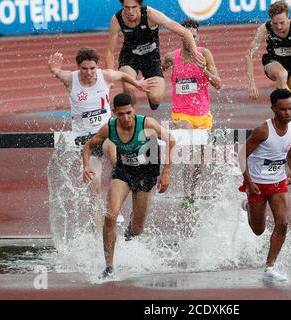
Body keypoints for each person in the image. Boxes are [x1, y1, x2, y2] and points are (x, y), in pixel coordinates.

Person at [48, 47, 156, 228]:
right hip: (85, 139)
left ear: (96, 67)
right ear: (78, 67)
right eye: (85, 69)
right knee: (94, 187)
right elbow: (58, 72)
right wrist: (54, 69)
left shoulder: (105, 76)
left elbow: (122, 75)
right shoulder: (71, 79)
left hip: (106, 132)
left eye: (92, 68)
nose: (89, 73)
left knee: (117, 161)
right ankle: (99, 235)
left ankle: (118, 203)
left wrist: (138, 84)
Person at [82, 93, 175, 279]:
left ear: (134, 109)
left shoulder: (147, 124)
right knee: (111, 216)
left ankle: (128, 235)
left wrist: (165, 173)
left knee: (137, 228)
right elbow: (88, 145)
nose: (126, 118)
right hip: (124, 172)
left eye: (129, 113)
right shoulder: (109, 128)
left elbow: (171, 140)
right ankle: (109, 266)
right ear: (115, 112)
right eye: (121, 114)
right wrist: (86, 165)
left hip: (146, 175)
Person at [238, 88, 291, 282]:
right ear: (273, 108)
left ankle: (270, 267)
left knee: (282, 223)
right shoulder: (263, 131)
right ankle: (247, 206)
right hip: (256, 184)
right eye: (283, 109)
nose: (287, 113)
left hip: (277, 183)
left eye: (290, 109)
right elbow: (241, 155)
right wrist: (248, 181)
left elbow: (290, 154)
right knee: (258, 230)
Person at [162, 18, 222, 209]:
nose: (190, 40)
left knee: (199, 159)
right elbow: (156, 70)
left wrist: (204, 68)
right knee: (189, 148)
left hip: (202, 115)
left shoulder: (204, 54)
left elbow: (218, 84)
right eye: (187, 36)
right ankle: (186, 193)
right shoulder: (172, 57)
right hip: (181, 114)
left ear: (198, 36)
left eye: (194, 36)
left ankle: (192, 191)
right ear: (181, 36)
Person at [106, 0, 206, 110]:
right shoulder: (117, 19)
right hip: (130, 57)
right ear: (122, 6)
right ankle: (130, 114)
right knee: (128, 87)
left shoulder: (151, 14)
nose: (130, 11)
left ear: (140, 5)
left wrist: (194, 51)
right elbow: (110, 51)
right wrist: (109, 75)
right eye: (126, 7)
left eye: (134, 7)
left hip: (151, 59)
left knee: (156, 98)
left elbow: (185, 32)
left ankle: (152, 98)